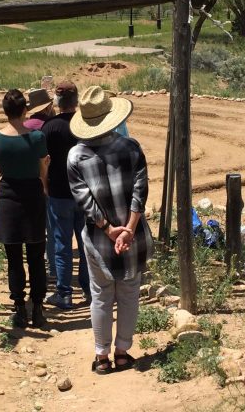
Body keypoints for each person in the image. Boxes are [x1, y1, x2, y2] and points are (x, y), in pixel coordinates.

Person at [67, 86, 152, 375]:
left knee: (101, 294)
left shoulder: (76, 157)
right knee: (129, 291)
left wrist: (108, 229)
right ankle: (123, 352)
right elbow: (140, 191)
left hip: (99, 240)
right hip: (134, 236)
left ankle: (102, 357)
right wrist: (128, 228)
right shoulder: (131, 148)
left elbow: (84, 201)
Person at [0, 89, 50, 328]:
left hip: (9, 197)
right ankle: (37, 308)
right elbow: (42, 168)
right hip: (32, 196)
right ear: (26, 109)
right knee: (36, 256)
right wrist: (43, 185)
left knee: (13, 258)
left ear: (5, 111)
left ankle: (19, 309)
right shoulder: (37, 138)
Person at [41, 81, 90, 310]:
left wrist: (45, 185)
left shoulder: (49, 127)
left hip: (59, 192)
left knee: (61, 244)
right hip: (85, 193)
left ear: (57, 101)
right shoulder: (86, 125)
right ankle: (90, 290)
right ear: (76, 100)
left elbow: (44, 161)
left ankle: (64, 293)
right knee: (86, 243)